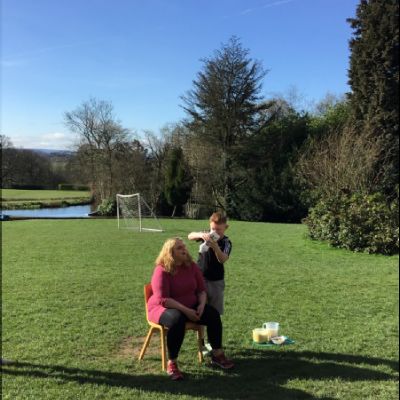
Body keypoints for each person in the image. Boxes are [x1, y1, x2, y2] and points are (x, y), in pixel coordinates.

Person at [147, 238, 234, 380]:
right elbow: (163, 299)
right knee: (177, 320)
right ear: (170, 253)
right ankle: (172, 363)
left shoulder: (191, 266)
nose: (184, 250)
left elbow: (201, 290)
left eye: (184, 247)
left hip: (190, 305)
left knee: (212, 314)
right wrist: (186, 311)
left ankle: (217, 354)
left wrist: (201, 305)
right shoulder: (161, 270)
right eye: (179, 248)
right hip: (162, 308)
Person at [188, 212, 232, 316]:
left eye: (218, 230)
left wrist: (216, 247)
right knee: (199, 310)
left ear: (225, 228)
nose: (215, 232)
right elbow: (190, 236)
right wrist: (201, 235)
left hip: (216, 281)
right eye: (213, 229)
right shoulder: (207, 235)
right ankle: (201, 327)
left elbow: (223, 259)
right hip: (200, 278)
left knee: (215, 312)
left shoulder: (226, 242)